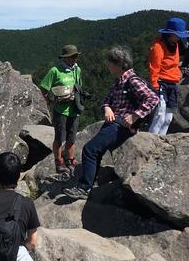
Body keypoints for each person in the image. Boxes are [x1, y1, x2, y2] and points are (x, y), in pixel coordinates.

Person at [64, 46, 159, 199]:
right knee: (96, 151)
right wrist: (107, 108)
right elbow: (107, 100)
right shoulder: (120, 81)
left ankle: (84, 187)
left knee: (90, 150)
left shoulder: (132, 81)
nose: (107, 66)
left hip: (123, 125)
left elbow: (153, 98)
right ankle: (89, 184)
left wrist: (135, 116)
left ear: (119, 64)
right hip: (115, 122)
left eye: (109, 63)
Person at [39, 45, 83, 174]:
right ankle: (58, 162)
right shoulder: (55, 71)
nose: (75, 59)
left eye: (76, 56)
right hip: (61, 110)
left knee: (72, 138)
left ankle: (70, 160)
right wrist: (51, 102)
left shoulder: (77, 70)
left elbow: (79, 86)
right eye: (73, 57)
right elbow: (43, 89)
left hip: (74, 109)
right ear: (66, 58)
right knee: (59, 138)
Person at [148, 17, 189, 135]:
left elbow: (175, 63)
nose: (178, 37)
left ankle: (161, 140)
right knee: (159, 116)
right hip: (161, 83)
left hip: (172, 84)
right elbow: (154, 67)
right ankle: (152, 140)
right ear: (169, 34)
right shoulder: (158, 47)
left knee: (168, 118)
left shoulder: (175, 44)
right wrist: (155, 86)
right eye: (176, 35)